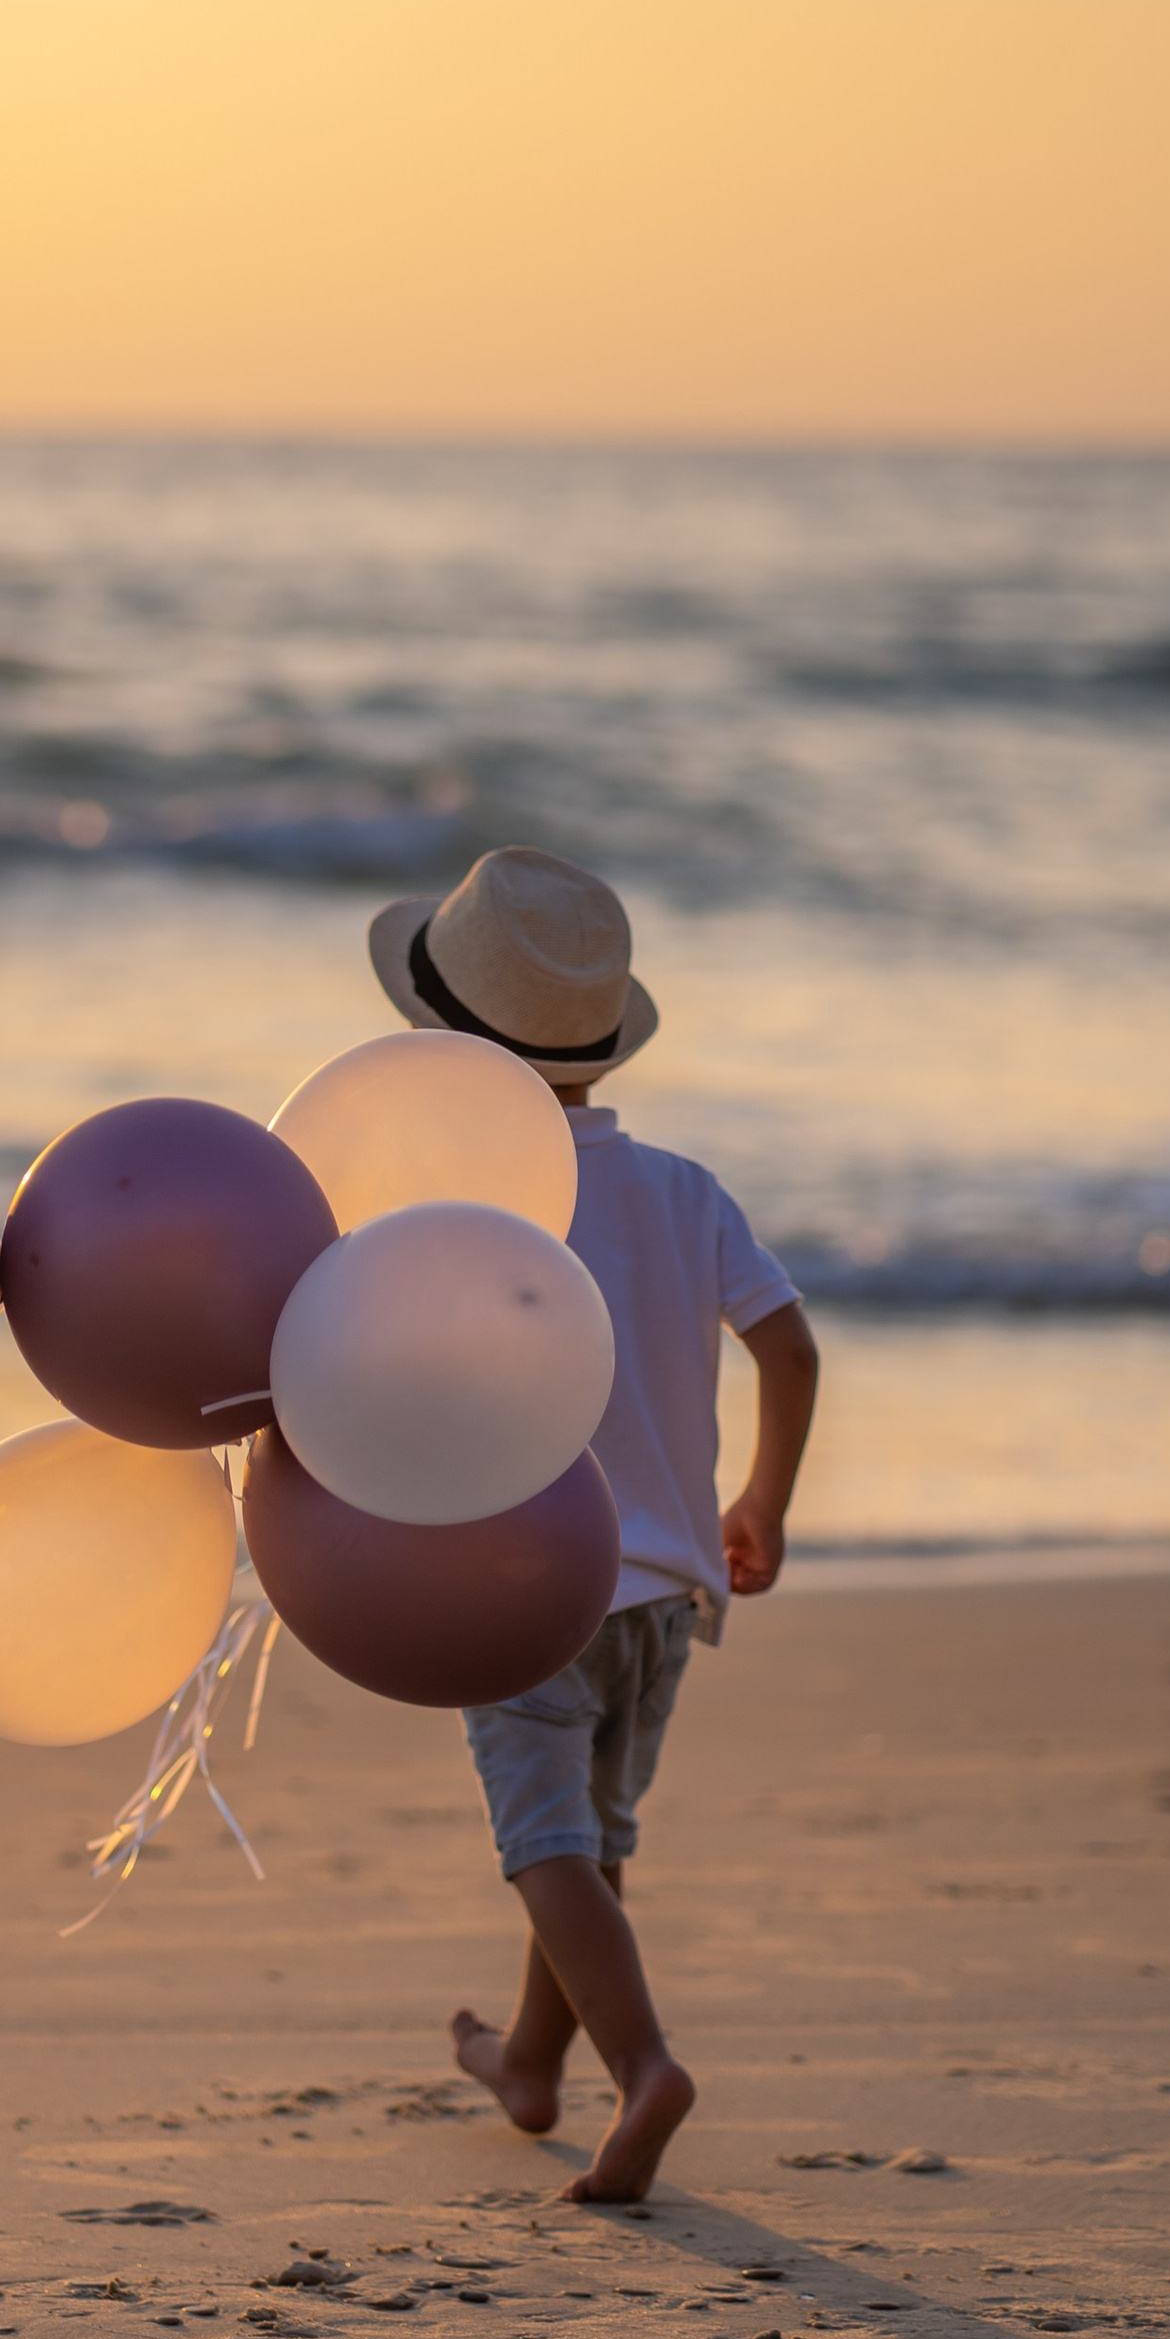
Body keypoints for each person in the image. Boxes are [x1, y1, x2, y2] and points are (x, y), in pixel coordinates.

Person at [367, 847, 819, 2202]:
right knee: (592, 1837)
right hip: (671, 1596)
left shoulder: (463, 1203)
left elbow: (398, 1374)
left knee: (544, 1846)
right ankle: (525, 2063)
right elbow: (790, 1351)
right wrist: (763, 1505)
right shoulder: (684, 1190)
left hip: (524, 1582)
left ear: (449, 1044)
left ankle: (648, 2067)